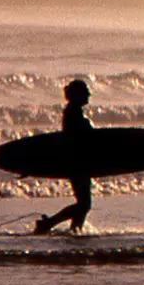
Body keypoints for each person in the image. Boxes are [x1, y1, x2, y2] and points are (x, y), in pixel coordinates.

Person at [34, 79, 95, 234]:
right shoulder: (72, 112)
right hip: (76, 162)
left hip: (80, 162)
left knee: (84, 203)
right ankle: (49, 223)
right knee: (84, 204)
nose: (89, 94)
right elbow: (77, 137)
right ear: (77, 95)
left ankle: (75, 229)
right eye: (85, 91)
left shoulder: (73, 111)